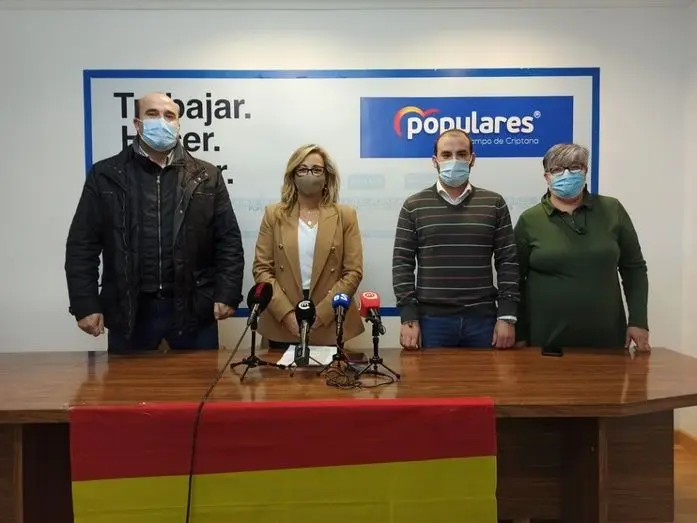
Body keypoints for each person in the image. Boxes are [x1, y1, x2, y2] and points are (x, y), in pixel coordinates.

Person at [65, 92, 244, 353]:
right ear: (137, 123)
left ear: (178, 124)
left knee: (199, 379)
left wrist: (227, 294)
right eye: (152, 114)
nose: (162, 121)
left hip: (193, 308)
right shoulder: (105, 175)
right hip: (130, 310)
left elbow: (228, 241)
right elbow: (82, 244)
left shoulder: (207, 176)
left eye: (169, 116)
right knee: (128, 381)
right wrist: (85, 304)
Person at [514, 143, 650, 351]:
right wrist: (519, 331)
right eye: (557, 169)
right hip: (545, 340)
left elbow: (634, 269)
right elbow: (514, 279)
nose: (567, 174)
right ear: (547, 177)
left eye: (575, 167)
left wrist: (638, 321)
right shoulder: (529, 220)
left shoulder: (612, 210)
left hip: (606, 337)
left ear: (585, 171)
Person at [392, 129, 520, 350]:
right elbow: (402, 264)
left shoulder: (494, 203)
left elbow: (507, 261)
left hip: (483, 320)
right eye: (446, 154)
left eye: (461, 154)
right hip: (432, 321)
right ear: (435, 161)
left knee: (487, 375)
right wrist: (408, 317)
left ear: (472, 159)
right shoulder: (414, 205)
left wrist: (507, 316)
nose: (454, 160)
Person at [252, 144, 364, 349]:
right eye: (302, 169)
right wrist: (287, 315)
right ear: (293, 176)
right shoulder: (273, 214)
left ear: (326, 176)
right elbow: (262, 269)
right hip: (282, 323)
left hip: (329, 322)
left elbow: (353, 272)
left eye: (316, 169)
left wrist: (321, 315)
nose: (309, 175)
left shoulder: (345, 216)